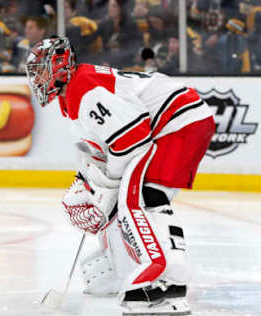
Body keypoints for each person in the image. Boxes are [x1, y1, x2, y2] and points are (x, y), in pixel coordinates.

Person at [25, 36, 215, 315]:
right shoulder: (74, 92)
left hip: (179, 123)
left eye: (41, 70)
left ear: (59, 66)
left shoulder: (84, 88)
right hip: (172, 124)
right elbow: (105, 146)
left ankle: (166, 282)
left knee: (145, 197)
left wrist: (105, 186)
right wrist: (90, 183)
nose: (36, 79)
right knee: (125, 196)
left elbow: (133, 139)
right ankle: (121, 267)